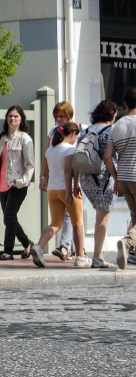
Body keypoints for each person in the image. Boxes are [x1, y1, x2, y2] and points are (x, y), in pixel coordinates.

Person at [30, 122, 88, 267]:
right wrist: (72, 189)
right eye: (76, 136)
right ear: (73, 134)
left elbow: (49, 169)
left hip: (53, 190)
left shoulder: (50, 150)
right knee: (77, 223)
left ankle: (39, 246)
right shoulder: (70, 149)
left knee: (55, 223)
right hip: (66, 190)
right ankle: (80, 256)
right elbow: (69, 171)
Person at [0, 106, 35, 260]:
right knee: (9, 218)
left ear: (21, 120)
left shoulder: (25, 139)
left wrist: (22, 182)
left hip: (16, 184)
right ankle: (27, 243)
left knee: (10, 215)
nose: (13, 119)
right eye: (10, 116)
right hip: (1, 182)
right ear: (7, 118)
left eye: (16, 117)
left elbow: (30, 165)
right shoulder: (0, 137)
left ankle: (8, 251)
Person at [74, 100, 118, 268]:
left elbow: (76, 158)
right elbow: (109, 157)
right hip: (104, 177)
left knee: (99, 214)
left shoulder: (85, 131)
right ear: (112, 114)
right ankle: (97, 258)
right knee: (103, 215)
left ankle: (96, 256)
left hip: (85, 179)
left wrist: (75, 183)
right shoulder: (111, 131)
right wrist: (117, 178)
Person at [104, 86, 136, 269]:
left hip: (124, 177)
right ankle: (126, 243)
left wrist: (116, 178)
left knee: (135, 216)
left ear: (125, 104)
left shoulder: (116, 126)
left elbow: (107, 157)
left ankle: (133, 254)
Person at [46, 101, 77, 260]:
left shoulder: (77, 130)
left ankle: (68, 248)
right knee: (71, 218)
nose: (58, 119)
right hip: (61, 182)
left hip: (70, 182)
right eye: (56, 116)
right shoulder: (53, 132)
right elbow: (46, 155)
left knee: (69, 218)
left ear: (69, 116)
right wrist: (43, 176)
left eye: (61, 116)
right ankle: (67, 248)